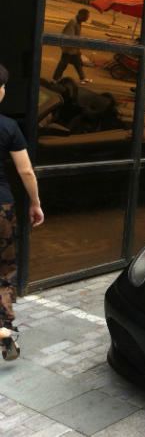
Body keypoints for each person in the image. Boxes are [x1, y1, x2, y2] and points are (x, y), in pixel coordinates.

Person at [0, 64, 44, 361]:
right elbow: (26, 170)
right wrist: (35, 203)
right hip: (0, 209)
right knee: (2, 272)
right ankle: (3, 329)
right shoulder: (7, 126)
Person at [53, 9, 92, 84]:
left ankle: (82, 78)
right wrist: (76, 47)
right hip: (68, 48)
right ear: (81, 15)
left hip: (73, 48)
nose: (87, 18)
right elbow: (70, 37)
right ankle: (55, 79)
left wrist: (77, 48)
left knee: (78, 63)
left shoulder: (78, 22)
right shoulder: (73, 22)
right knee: (63, 64)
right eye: (86, 16)